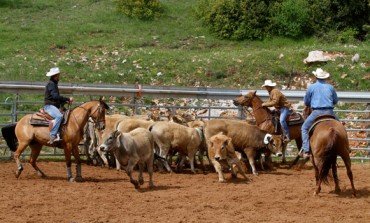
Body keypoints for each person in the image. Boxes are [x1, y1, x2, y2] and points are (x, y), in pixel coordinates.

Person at [301, 68, 339, 158]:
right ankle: (346, 147)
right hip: (330, 112)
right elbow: (335, 100)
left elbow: (306, 101)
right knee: (341, 127)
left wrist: (312, 103)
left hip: (317, 112)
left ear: (316, 77)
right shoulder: (330, 87)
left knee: (304, 128)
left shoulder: (312, 87)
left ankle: (306, 150)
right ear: (325, 77)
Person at [44, 67, 73, 143]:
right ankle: (53, 135)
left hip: (52, 105)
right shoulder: (51, 84)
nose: (59, 77)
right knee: (59, 116)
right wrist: (67, 99)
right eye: (58, 75)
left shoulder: (53, 84)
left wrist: (63, 102)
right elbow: (55, 96)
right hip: (49, 106)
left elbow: (55, 98)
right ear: (55, 76)